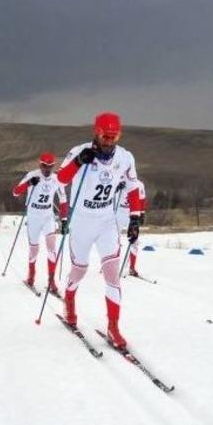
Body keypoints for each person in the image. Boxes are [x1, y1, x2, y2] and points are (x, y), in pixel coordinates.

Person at [56, 111, 142, 349]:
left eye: (114, 137)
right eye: (105, 136)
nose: (109, 142)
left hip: (106, 221)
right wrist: (77, 163)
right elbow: (60, 180)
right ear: (97, 133)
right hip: (82, 222)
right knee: (79, 270)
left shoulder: (125, 158)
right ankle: (69, 301)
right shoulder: (79, 151)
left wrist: (135, 219)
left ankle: (113, 327)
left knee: (113, 274)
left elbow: (133, 187)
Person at [12, 152, 69, 294]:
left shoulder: (57, 179)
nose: (47, 169)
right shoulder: (32, 175)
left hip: (48, 216)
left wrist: (64, 219)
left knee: (52, 248)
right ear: (40, 164)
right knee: (34, 249)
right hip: (33, 216)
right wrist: (29, 184)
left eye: (50, 166)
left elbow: (63, 200)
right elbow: (15, 192)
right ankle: (31, 276)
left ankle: (51, 281)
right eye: (44, 166)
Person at [115, 178, 146, 277]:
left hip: (132, 213)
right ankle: (111, 267)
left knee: (134, 240)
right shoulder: (116, 179)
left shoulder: (139, 184)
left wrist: (142, 213)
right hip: (118, 213)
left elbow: (142, 200)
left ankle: (132, 268)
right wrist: (116, 188)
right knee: (113, 240)